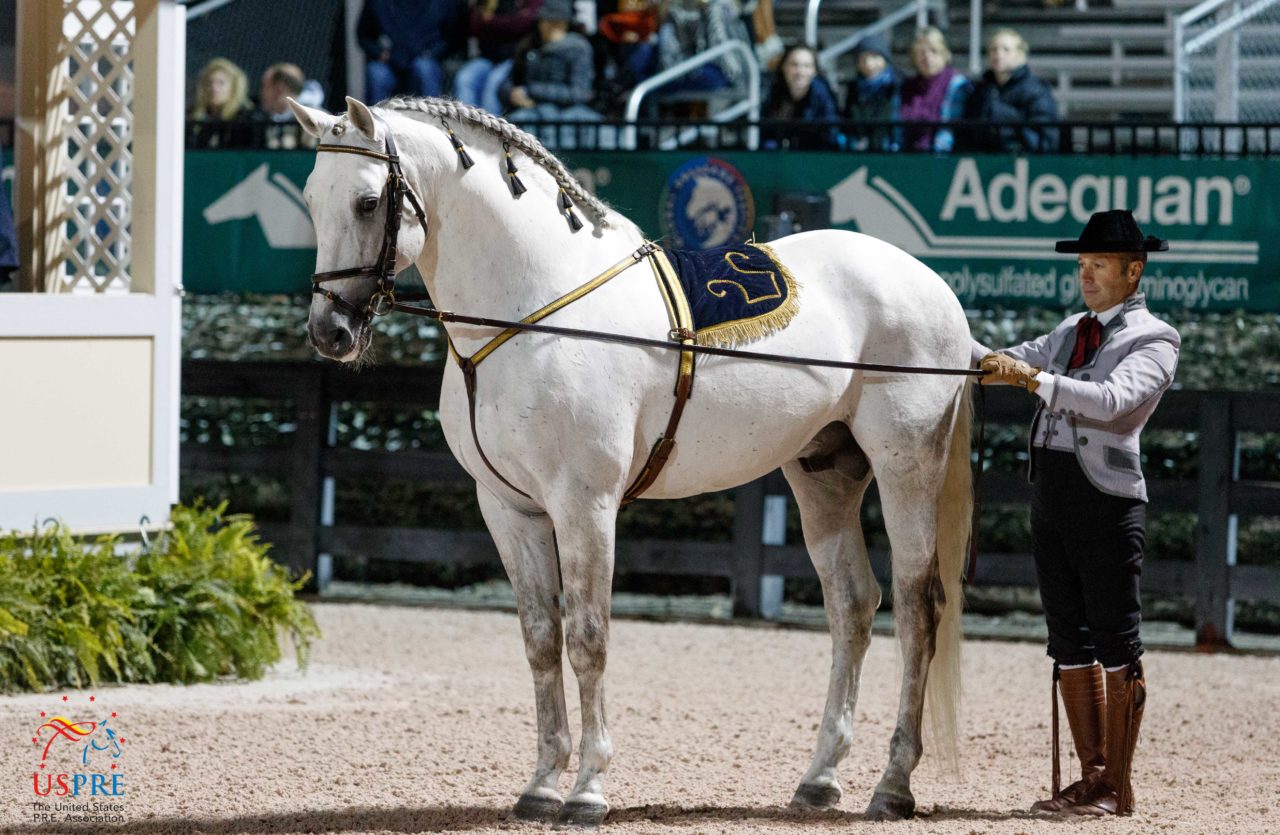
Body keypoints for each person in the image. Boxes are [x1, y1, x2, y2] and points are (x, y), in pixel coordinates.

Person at [974, 209, 1179, 818]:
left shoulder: (1155, 338)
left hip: (1107, 502)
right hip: (1054, 497)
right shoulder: (1072, 328)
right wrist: (968, 355)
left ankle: (1117, 783)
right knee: (1067, 638)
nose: (1086, 276)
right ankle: (1092, 776)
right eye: (1083, 266)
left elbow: (1113, 403)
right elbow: (1013, 356)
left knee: (1116, 636)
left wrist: (1033, 380)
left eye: (1099, 266)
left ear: (1133, 271)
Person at [502, 0, 601, 148]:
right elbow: (508, 82)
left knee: (569, 122)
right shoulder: (530, 46)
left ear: (565, 24)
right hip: (533, 111)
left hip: (568, 112)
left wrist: (532, 91)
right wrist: (511, 94)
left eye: (556, 23)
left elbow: (579, 93)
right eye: (546, 21)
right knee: (515, 122)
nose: (550, 27)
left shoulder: (579, 48)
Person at [960, 27, 1058, 153]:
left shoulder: (1036, 91)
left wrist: (1009, 117)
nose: (998, 54)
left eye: (1006, 49)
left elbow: (1044, 139)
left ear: (1020, 54)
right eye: (993, 49)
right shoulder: (980, 90)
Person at [357, 0, 467, 102]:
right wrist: (383, 54)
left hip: (427, 59)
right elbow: (363, 36)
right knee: (377, 73)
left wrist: (432, 53)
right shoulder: (379, 3)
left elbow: (453, 38)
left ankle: (433, 119)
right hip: (391, 60)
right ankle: (375, 121)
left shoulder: (443, 3)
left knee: (425, 68)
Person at [454, 0, 542, 116]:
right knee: (465, 78)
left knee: (493, 85)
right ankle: (464, 127)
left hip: (515, 59)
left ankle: (490, 131)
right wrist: (498, 23)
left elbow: (521, 24)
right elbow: (474, 26)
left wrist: (492, 22)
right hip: (487, 57)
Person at [899, 26, 972, 153]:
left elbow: (950, 131)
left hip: (944, 160)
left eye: (934, 51)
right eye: (921, 52)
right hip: (908, 157)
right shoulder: (907, 87)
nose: (927, 57)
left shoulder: (957, 85)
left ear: (945, 53)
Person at [761, 44, 841, 150]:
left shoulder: (823, 96)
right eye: (794, 65)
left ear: (814, 71)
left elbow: (831, 135)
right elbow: (766, 135)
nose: (800, 71)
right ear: (783, 67)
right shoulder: (771, 93)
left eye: (806, 66)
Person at [842, 33, 902, 152]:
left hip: (891, 152)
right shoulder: (853, 89)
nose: (869, 64)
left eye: (874, 57)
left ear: (885, 59)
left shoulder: (898, 85)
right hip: (862, 153)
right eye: (863, 59)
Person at [188, 57, 256, 149]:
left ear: (234, 87)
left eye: (221, 83)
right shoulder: (194, 117)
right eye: (209, 83)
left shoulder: (245, 119)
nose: (213, 88)